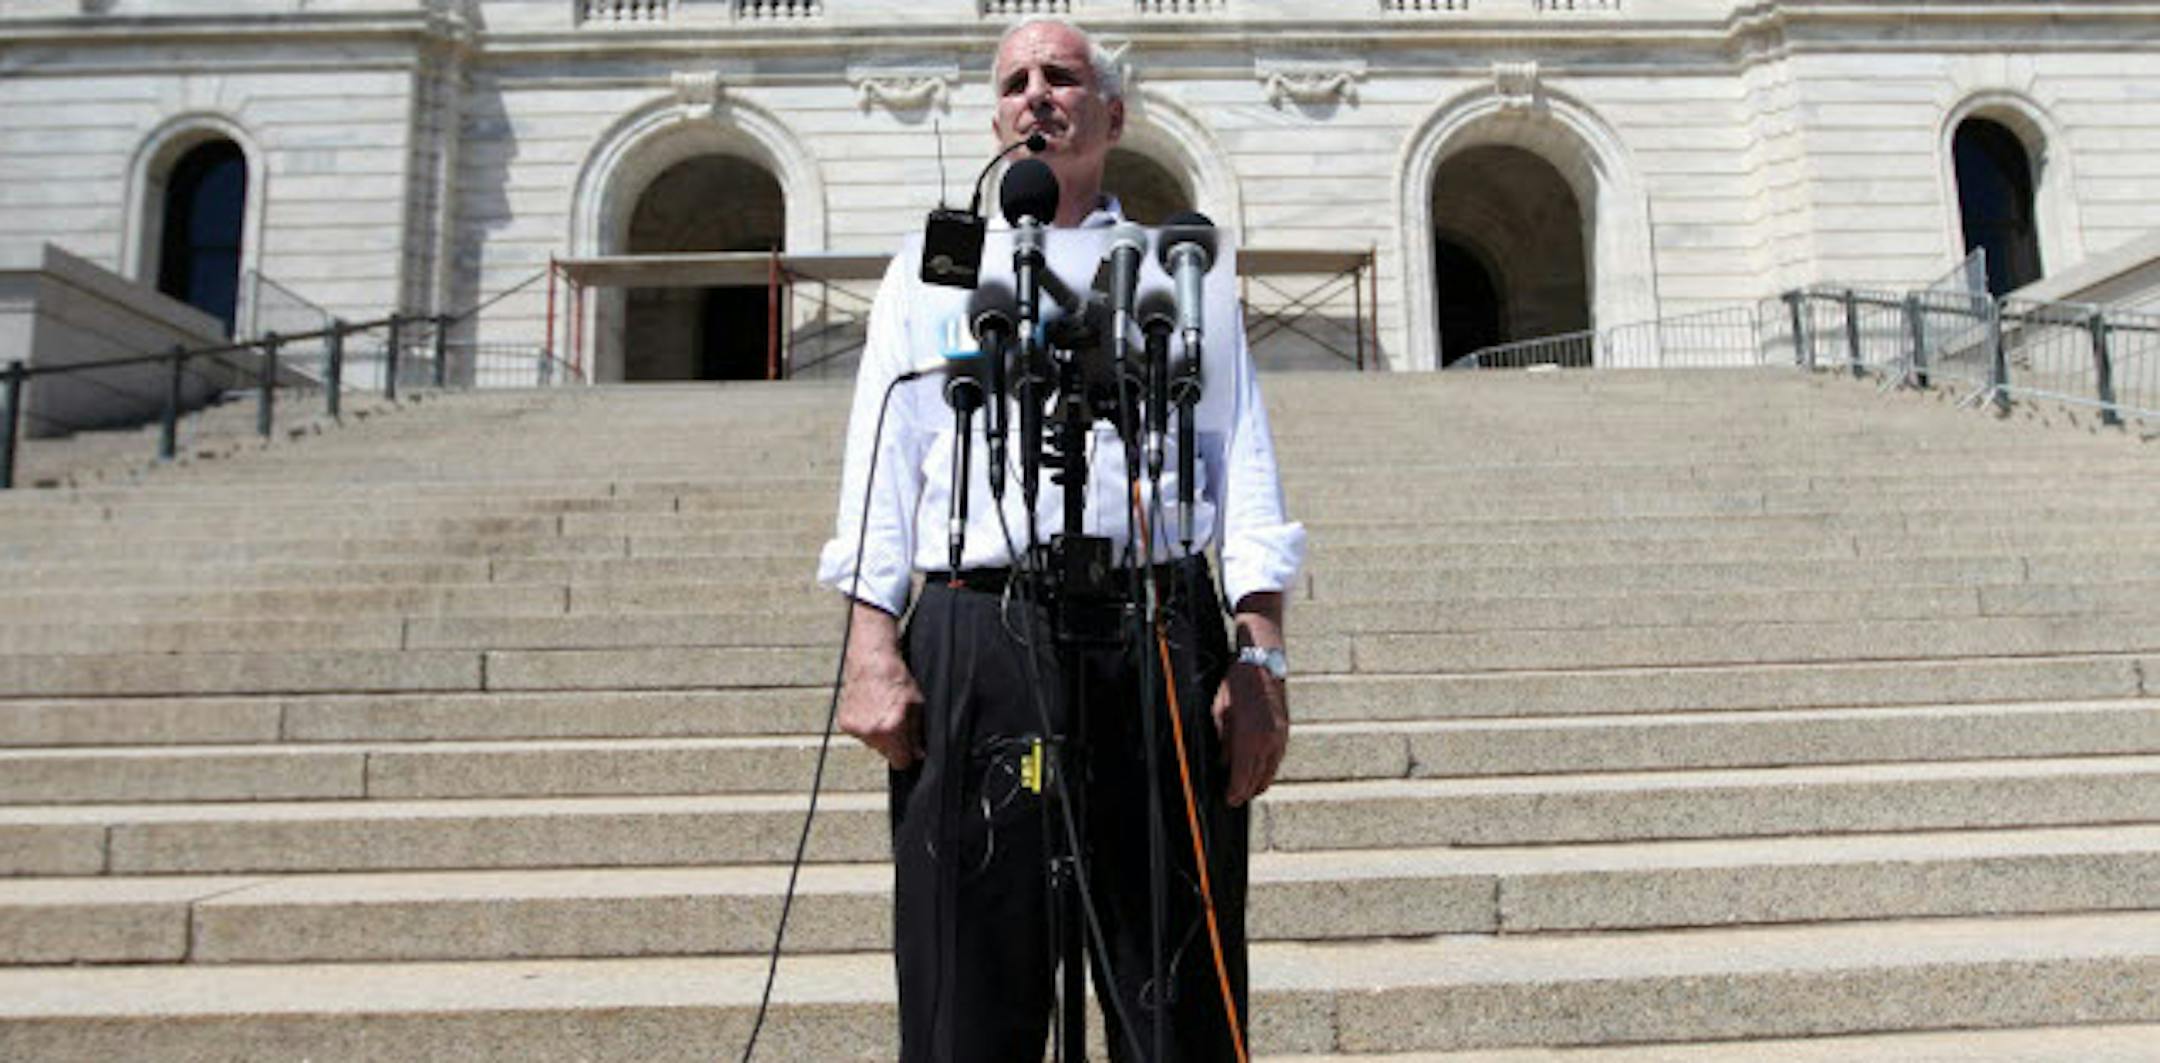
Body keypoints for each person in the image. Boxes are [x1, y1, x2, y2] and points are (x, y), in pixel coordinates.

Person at [816, 16, 1306, 1062]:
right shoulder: (930, 267)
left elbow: (1243, 459)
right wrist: (869, 649)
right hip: (978, 629)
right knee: (967, 977)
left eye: (1064, 76)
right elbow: (882, 467)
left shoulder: (1183, 265)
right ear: (997, 115)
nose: (1037, 94)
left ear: (1112, 114)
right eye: (1017, 80)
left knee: (1173, 986)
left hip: (1155, 626)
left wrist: (1258, 650)